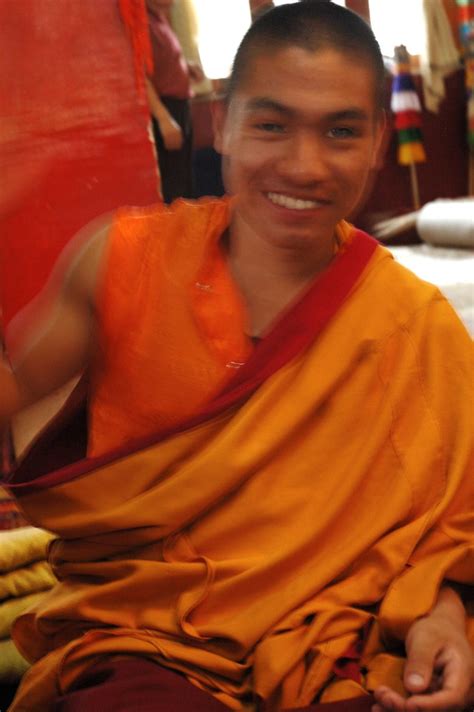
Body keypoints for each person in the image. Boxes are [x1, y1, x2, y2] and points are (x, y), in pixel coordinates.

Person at [1, 2, 473, 711]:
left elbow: (452, 527)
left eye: (341, 131)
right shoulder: (124, 262)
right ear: (223, 124)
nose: (304, 165)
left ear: (379, 141)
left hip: (344, 643)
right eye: (272, 125)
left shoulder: (416, 325)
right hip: (149, 640)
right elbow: (15, 387)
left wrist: (446, 617)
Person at [145, 0, 203, 203]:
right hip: (166, 109)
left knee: (185, 178)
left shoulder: (160, 19)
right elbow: (141, 77)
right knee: (174, 184)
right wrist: (164, 119)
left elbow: (160, 64)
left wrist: (187, 67)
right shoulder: (143, 23)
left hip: (179, 105)